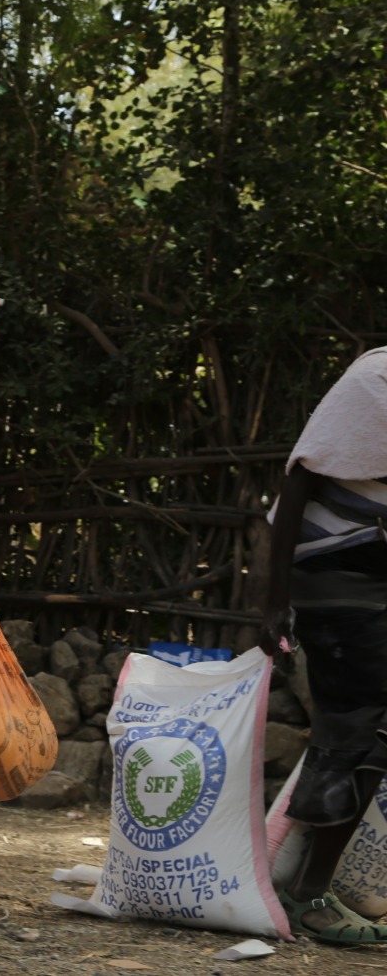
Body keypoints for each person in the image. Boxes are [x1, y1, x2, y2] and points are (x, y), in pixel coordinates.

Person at [261, 345, 387, 945]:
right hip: (336, 581)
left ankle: (310, 886)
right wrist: (274, 600)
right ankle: (310, 896)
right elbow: (300, 475)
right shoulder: (376, 378)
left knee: (365, 734)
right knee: (357, 729)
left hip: (373, 585)